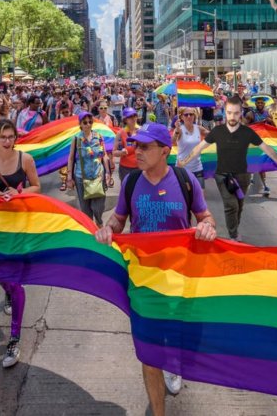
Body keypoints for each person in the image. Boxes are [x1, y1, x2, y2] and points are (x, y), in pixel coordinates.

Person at [95, 123, 216, 416]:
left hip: (178, 279)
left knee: (174, 339)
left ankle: (174, 363)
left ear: (165, 151)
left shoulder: (185, 179)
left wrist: (207, 228)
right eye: (136, 145)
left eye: (145, 147)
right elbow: (118, 220)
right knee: (149, 354)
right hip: (142, 281)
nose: (137, 151)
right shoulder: (132, 182)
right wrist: (107, 230)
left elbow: (206, 217)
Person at [180, 95, 277, 241]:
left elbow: (267, 149)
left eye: (236, 112)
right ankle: (233, 234)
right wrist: (185, 161)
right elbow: (198, 149)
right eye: (229, 112)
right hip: (223, 175)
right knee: (231, 205)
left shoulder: (247, 132)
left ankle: (235, 227)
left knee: (239, 205)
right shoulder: (218, 131)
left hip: (243, 175)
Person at [0, 119, 41, 367]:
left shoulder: (26, 159)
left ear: (16, 137)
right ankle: (8, 293)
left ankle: (14, 339)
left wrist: (19, 193)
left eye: (11, 136)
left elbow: (37, 186)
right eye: (2, 137)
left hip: (18, 227)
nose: (7, 141)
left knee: (15, 280)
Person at [66, 111, 111, 227]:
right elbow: (71, 159)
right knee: (85, 208)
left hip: (98, 176)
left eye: (90, 122)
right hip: (81, 178)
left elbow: (104, 155)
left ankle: (99, 221)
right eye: (85, 122)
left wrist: (108, 173)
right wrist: (69, 178)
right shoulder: (76, 139)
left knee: (98, 206)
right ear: (80, 124)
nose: (88, 124)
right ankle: (90, 228)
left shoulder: (98, 137)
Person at [172, 107, 209, 188]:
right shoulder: (179, 129)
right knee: (185, 197)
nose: (189, 116)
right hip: (182, 169)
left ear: (194, 116)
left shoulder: (198, 128)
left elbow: (212, 135)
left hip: (197, 167)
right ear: (181, 117)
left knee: (200, 196)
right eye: (186, 114)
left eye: (191, 114)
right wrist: (177, 130)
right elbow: (172, 142)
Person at [245, 96, 274, 196]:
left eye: (262, 103)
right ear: (255, 104)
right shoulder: (250, 114)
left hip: (264, 143)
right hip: (252, 143)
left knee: (262, 165)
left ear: (264, 104)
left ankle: (265, 185)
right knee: (250, 163)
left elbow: (274, 127)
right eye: (258, 103)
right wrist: (257, 124)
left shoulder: (267, 113)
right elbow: (244, 127)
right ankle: (247, 181)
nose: (260, 104)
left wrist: (270, 121)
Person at [113, 107, 140, 183]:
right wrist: (121, 153)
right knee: (126, 192)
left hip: (140, 167)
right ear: (125, 119)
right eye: (130, 117)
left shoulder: (142, 131)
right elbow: (114, 152)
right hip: (125, 168)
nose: (133, 118)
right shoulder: (121, 133)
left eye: (134, 116)